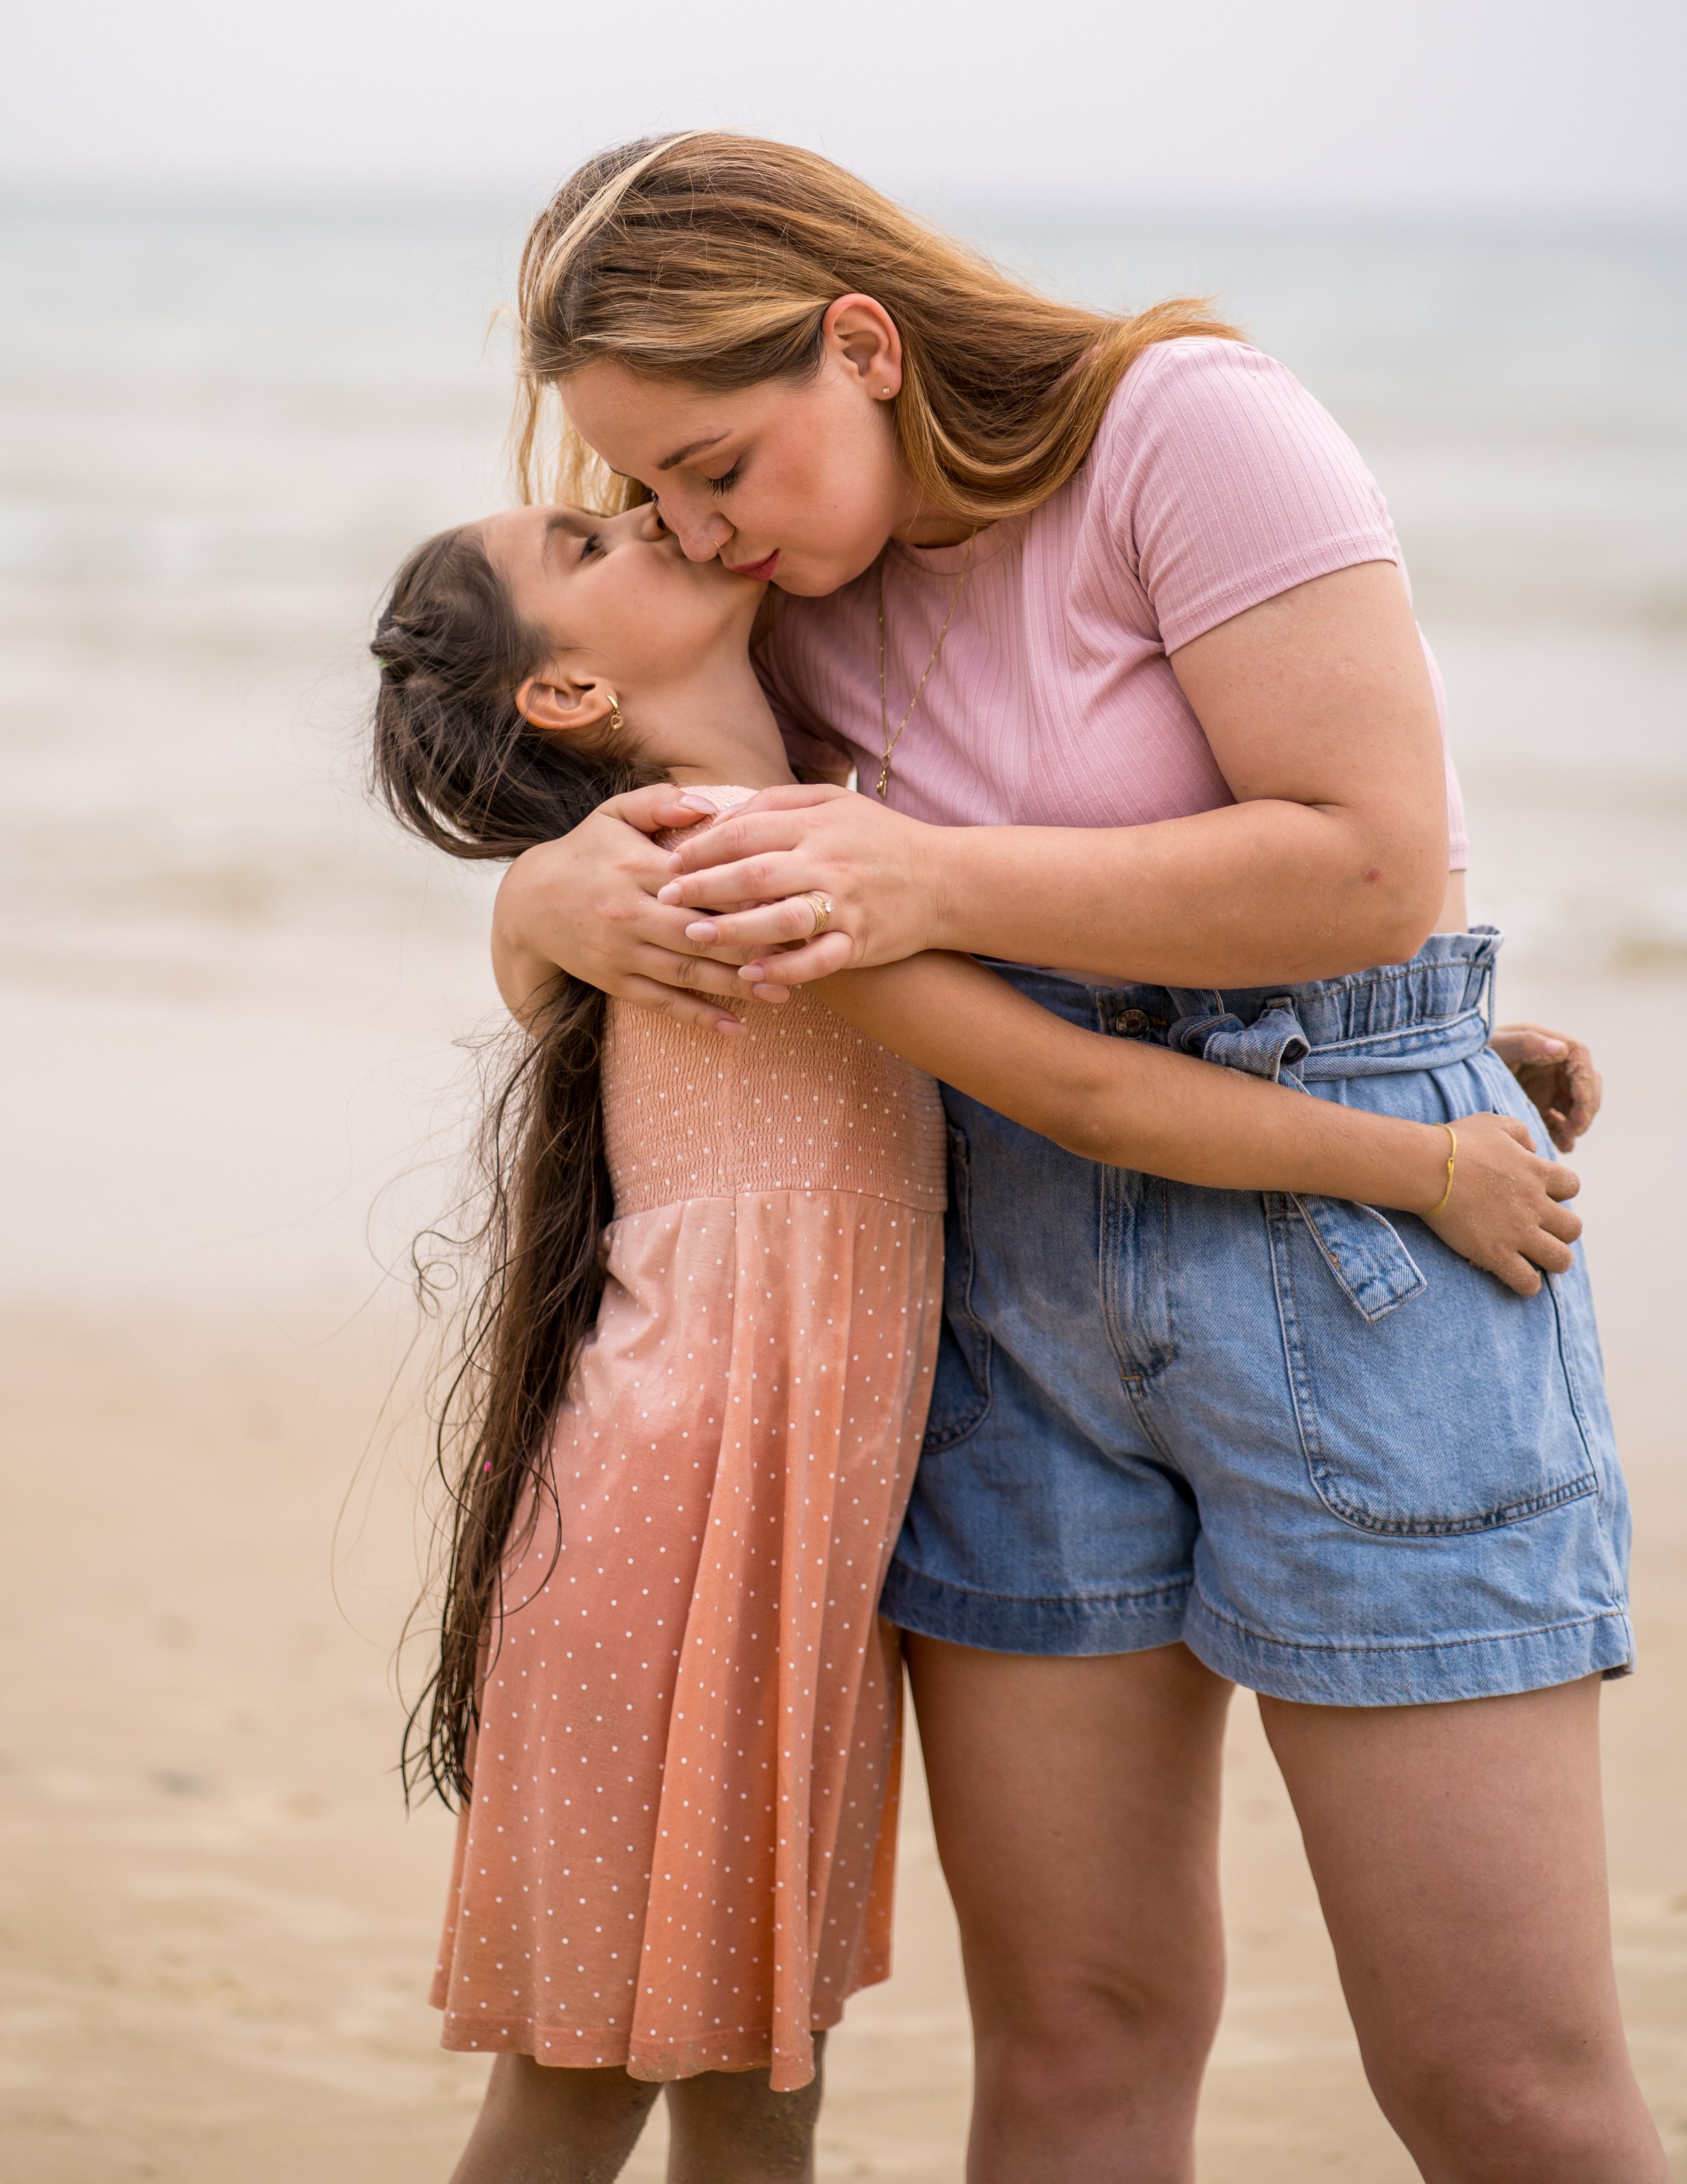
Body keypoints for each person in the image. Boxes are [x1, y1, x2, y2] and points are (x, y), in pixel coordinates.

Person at [489, 132, 1660, 2184]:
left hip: (1351, 1270)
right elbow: (601, 753)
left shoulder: (1189, 430)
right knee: (1075, 2046)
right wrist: (533, 914)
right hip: (1007, 1273)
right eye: (651, 501)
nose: (700, 532)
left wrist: (1429, 1053)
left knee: (1501, 2091)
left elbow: (1372, 871)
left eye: (715, 467)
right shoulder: (802, 603)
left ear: (860, 343)